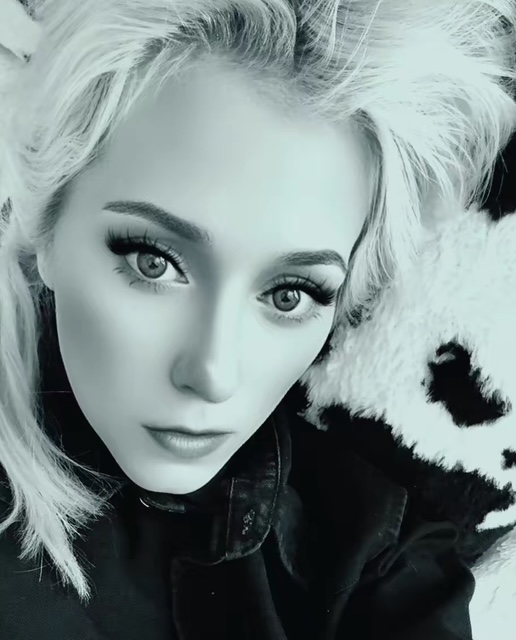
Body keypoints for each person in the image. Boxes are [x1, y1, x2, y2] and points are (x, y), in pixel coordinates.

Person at [0, 0, 514, 638]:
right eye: (154, 262)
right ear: (43, 225)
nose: (213, 373)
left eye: (290, 294)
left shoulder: (377, 558)